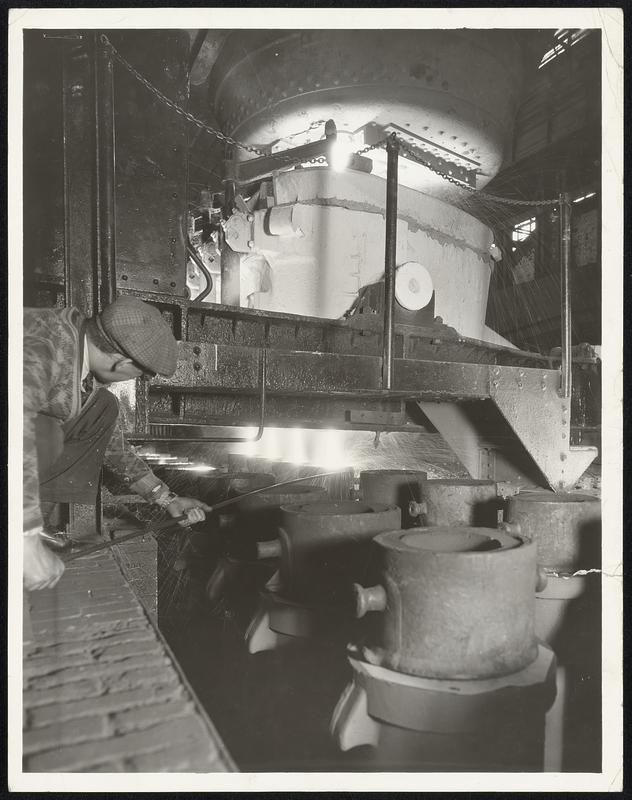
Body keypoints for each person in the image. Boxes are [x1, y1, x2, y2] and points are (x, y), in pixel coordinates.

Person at [23, 295, 212, 591]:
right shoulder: (44, 346)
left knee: (103, 407)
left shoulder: (76, 350)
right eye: (141, 374)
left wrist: (166, 498)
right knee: (44, 432)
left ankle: (42, 525)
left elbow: (113, 448)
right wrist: (25, 536)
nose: (138, 380)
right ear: (121, 362)